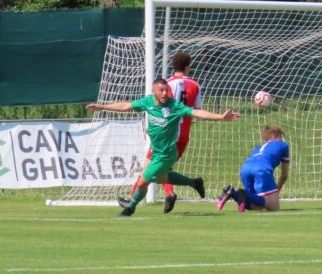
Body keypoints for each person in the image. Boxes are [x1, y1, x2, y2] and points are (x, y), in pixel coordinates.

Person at [86, 78, 239, 216]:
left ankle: (130, 208)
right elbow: (126, 106)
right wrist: (101, 107)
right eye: (161, 90)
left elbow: (196, 112)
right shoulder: (148, 102)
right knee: (161, 179)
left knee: (142, 181)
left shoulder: (174, 106)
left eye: (166, 90)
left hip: (166, 154)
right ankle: (195, 183)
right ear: (154, 92)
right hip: (156, 151)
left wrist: (220, 117)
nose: (165, 93)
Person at [125, 51, 202, 214]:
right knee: (161, 170)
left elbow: (160, 109)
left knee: (149, 170)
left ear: (173, 65)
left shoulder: (165, 85)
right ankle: (185, 187)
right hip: (183, 135)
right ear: (187, 67)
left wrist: (151, 125)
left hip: (168, 133)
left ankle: (131, 202)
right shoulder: (195, 85)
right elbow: (197, 111)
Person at [217, 125, 290, 212]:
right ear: (274, 135)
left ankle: (233, 193)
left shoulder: (258, 148)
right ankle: (239, 192)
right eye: (281, 136)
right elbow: (284, 175)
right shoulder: (283, 146)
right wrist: (277, 190)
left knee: (255, 205)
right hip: (261, 169)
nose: (282, 139)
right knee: (274, 207)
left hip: (245, 169)